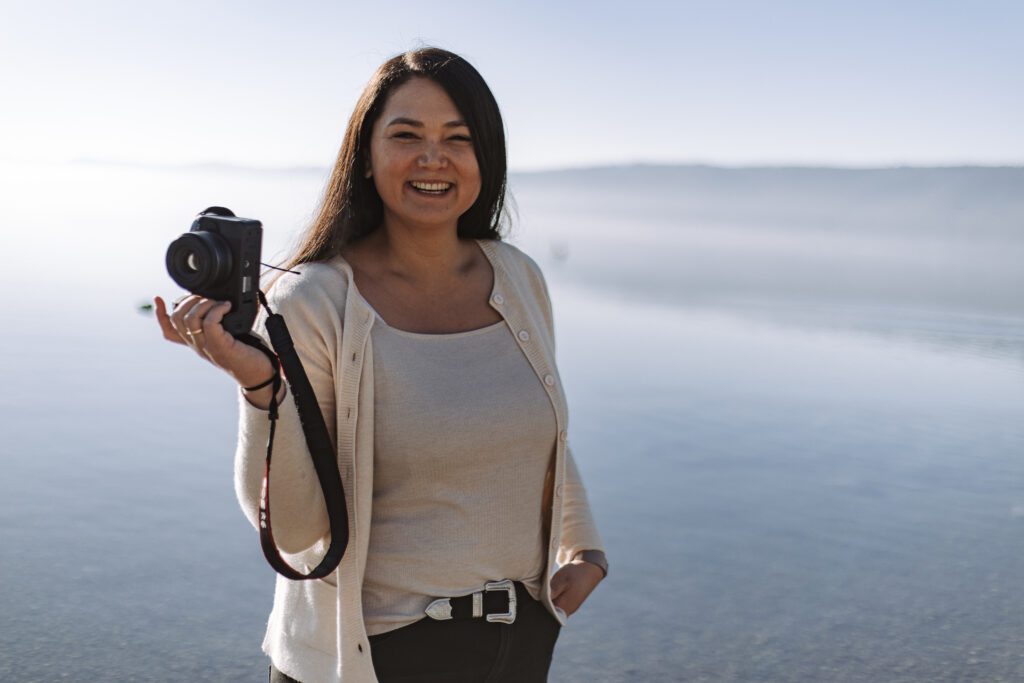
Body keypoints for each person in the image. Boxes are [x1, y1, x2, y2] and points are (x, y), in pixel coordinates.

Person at [155, 47, 606, 683]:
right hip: (367, 658)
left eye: (458, 138)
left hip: (518, 647)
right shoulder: (313, 302)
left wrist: (582, 547)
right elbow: (295, 532)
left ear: (487, 159)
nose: (433, 157)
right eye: (406, 135)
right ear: (366, 157)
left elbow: (542, 432)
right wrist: (261, 388)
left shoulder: (518, 277)